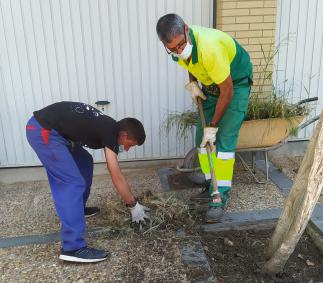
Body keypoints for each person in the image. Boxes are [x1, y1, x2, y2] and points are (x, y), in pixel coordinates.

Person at [156, 14, 253, 222]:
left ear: (187, 30)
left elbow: (227, 91)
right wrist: (193, 84)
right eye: (172, 49)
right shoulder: (175, 48)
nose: (179, 51)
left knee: (224, 142)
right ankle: (211, 186)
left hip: (234, 84)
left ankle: (220, 197)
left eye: (181, 45)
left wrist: (213, 126)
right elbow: (189, 64)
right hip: (212, 84)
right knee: (202, 139)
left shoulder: (210, 49)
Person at [26, 101, 150, 263]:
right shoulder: (109, 132)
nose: (126, 149)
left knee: (84, 161)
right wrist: (133, 205)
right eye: (129, 145)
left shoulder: (108, 126)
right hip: (44, 130)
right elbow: (115, 174)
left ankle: (77, 208)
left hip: (61, 134)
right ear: (124, 135)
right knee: (72, 182)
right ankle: (73, 247)